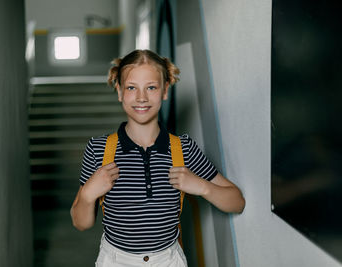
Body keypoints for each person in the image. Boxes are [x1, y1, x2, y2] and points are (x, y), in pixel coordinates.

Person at [70, 49, 245, 267]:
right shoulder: (99, 149)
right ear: (119, 91)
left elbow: (236, 202)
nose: (141, 97)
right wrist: (87, 195)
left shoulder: (183, 149)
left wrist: (202, 187)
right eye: (131, 88)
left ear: (165, 90)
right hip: (115, 260)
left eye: (151, 87)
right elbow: (81, 223)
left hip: (168, 261)